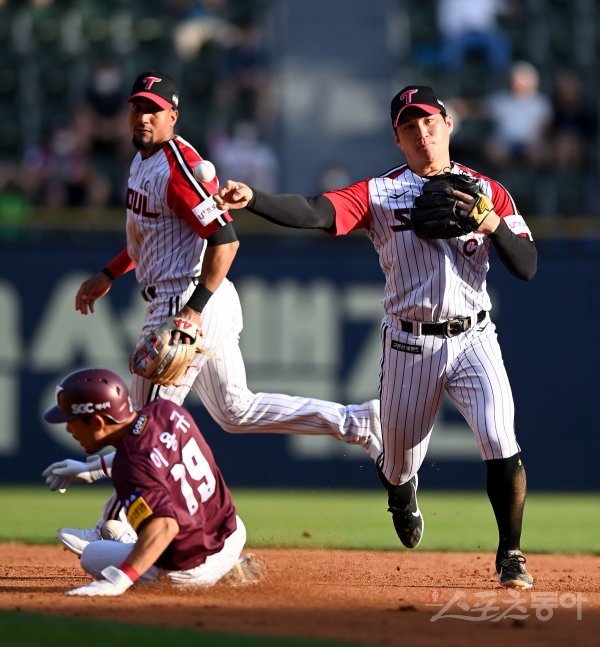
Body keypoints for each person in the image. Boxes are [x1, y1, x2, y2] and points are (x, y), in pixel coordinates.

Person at [42, 70, 382, 555]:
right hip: (190, 297)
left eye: (154, 110)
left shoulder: (177, 167)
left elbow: (226, 240)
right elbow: (148, 238)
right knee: (234, 410)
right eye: (137, 108)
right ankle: (356, 422)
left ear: (173, 116)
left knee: (145, 421)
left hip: (185, 299)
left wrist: (193, 312)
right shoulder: (141, 162)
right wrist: (109, 273)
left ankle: (112, 524)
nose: (143, 117)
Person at [214, 85, 538, 590]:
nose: (421, 133)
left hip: (475, 335)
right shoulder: (380, 193)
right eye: (409, 127)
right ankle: (402, 492)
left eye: (428, 122)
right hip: (410, 344)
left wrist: (493, 223)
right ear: (397, 138)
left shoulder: (489, 192)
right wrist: (254, 198)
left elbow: (527, 265)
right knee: (400, 459)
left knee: (501, 440)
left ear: (448, 124)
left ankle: (511, 554)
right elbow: (316, 211)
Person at [43, 367, 258, 596]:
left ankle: (133, 542)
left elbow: (164, 527)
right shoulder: (167, 411)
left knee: (91, 555)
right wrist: (91, 469)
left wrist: (117, 581)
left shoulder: (129, 467)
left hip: (191, 570)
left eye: (72, 420)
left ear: (97, 422)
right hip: (232, 536)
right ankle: (226, 567)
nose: (68, 429)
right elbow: (150, 453)